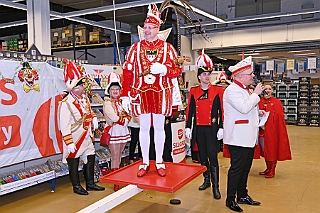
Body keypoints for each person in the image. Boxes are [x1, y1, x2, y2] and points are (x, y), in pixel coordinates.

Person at [120, 3, 183, 177]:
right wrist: (125, 96)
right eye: (145, 27)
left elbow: (177, 70)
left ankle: (160, 161)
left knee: (160, 128)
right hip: (141, 93)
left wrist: (164, 70)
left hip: (162, 93)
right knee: (144, 128)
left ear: (158, 28)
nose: (147, 30)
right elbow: (127, 73)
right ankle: (145, 162)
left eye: (150, 27)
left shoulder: (168, 49)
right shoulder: (135, 49)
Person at [223, 56, 265, 212]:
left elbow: (247, 109)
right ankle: (230, 199)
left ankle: (242, 194)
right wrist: (256, 94)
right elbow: (243, 107)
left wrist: (258, 113)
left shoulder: (244, 90)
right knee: (236, 169)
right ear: (239, 76)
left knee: (245, 168)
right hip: (238, 137)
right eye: (250, 74)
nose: (253, 76)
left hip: (247, 136)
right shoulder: (232, 90)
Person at [58, 59, 105, 195]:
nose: (84, 87)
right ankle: (76, 186)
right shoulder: (66, 103)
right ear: (74, 87)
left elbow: (88, 112)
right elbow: (64, 125)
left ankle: (90, 183)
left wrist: (94, 117)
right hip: (74, 137)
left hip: (86, 136)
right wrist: (69, 142)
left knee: (90, 157)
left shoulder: (84, 98)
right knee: (73, 162)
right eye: (82, 85)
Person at [185, 51, 224, 199]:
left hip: (212, 129)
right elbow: (190, 110)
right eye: (204, 75)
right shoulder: (194, 91)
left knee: (213, 157)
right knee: (202, 157)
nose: (207, 77)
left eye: (209, 74)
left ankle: (216, 187)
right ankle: (206, 180)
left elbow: (222, 110)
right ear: (199, 77)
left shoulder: (218, 90)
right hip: (199, 129)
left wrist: (221, 126)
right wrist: (188, 126)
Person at [102, 72, 131, 191]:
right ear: (109, 90)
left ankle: (117, 176)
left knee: (119, 155)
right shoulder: (107, 103)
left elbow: (129, 114)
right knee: (115, 155)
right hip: (114, 131)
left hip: (122, 131)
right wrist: (124, 120)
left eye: (117, 88)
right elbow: (113, 117)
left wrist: (126, 119)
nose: (115, 91)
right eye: (112, 88)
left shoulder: (122, 102)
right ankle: (115, 181)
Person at [258, 83, 292, 178]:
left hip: (273, 131)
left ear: (272, 91)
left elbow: (279, 116)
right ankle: (268, 168)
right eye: (265, 89)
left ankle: (272, 169)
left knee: (272, 149)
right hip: (262, 131)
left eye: (269, 89)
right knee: (265, 150)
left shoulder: (277, 102)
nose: (267, 90)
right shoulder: (259, 101)